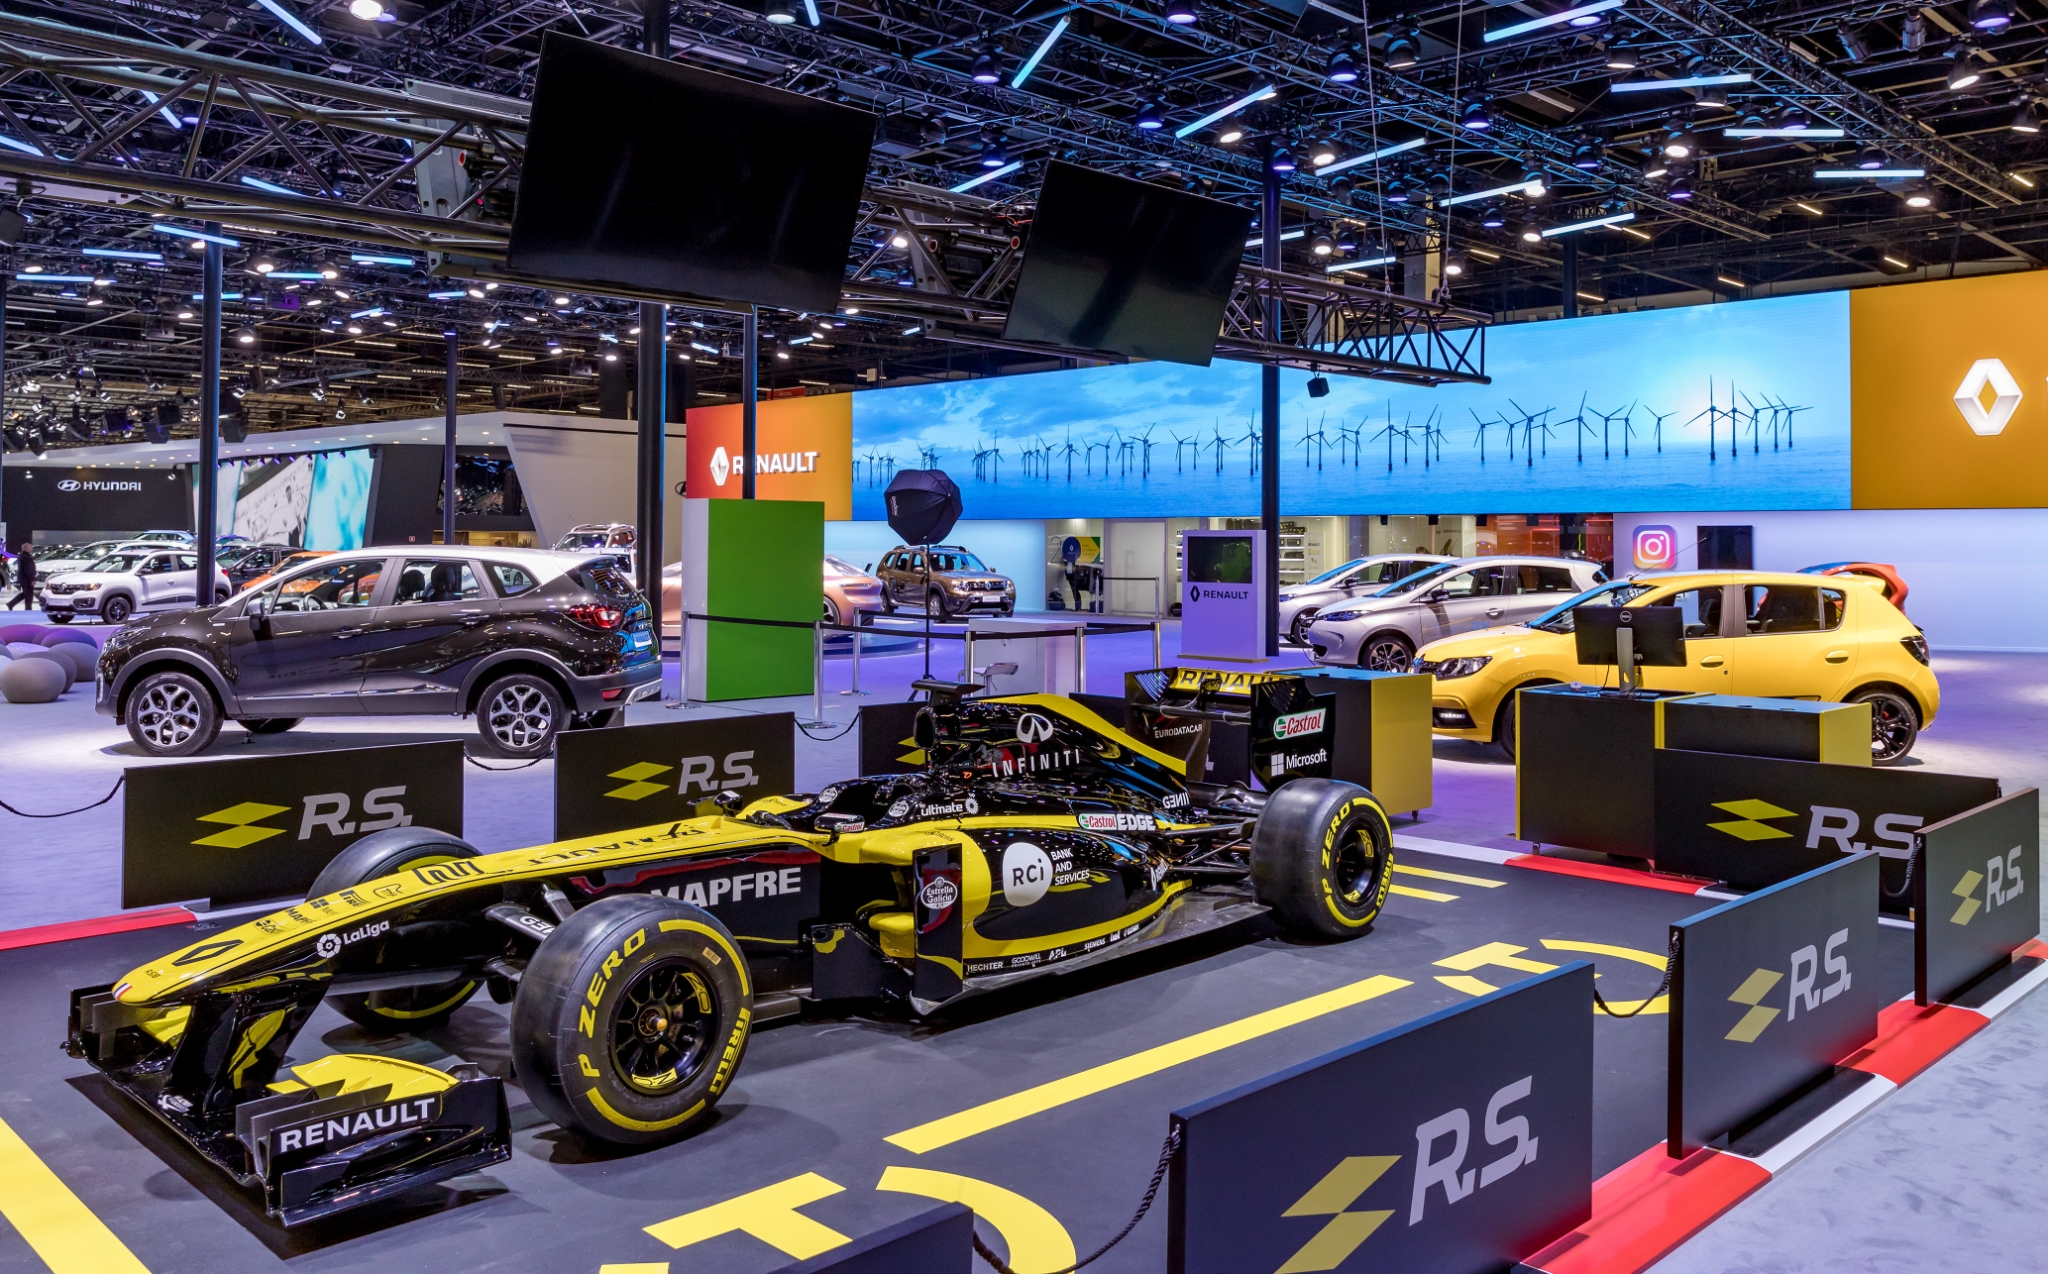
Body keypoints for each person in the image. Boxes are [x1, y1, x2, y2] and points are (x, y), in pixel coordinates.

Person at [4, 542, 33, 610]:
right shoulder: (26, 557)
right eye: (30, 547)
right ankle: (28, 608)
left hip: (24, 578)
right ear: (27, 548)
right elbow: (28, 569)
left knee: (26, 593)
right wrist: (32, 578)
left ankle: (11, 604)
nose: (32, 548)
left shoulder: (23, 556)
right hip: (26, 579)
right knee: (28, 594)